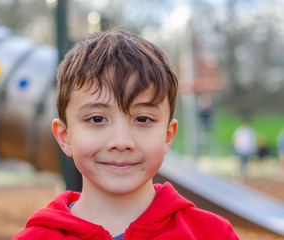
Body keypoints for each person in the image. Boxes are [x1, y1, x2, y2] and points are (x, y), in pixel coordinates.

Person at [13, 29, 239, 240]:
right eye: (97, 119)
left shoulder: (212, 233)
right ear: (65, 136)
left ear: (168, 136)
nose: (121, 142)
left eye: (143, 119)